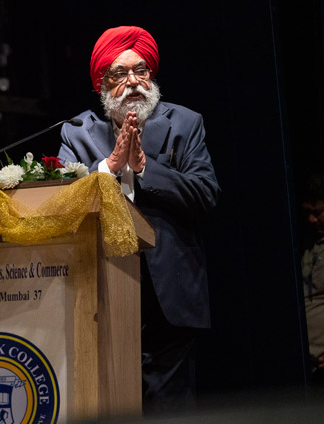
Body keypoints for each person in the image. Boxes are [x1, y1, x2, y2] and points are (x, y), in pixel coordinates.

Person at [58, 26, 220, 414]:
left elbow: (206, 193)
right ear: (101, 83)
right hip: (101, 292)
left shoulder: (185, 123)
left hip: (170, 297)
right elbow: (63, 208)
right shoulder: (77, 134)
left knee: (169, 410)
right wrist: (108, 168)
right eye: (120, 74)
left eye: (141, 71)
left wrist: (144, 168)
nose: (133, 82)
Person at [300, 170, 324, 388]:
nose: (312, 219)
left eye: (318, 212)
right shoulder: (305, 244)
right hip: (308, 368)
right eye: (308, 212)